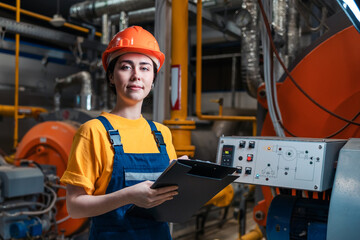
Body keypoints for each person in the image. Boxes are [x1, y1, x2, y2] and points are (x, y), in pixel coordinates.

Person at [60, 26, 180, 240]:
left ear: (153, 80)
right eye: (126, 67)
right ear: (111, 77)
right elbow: (75, 207)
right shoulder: (93, 132)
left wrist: (183, 178)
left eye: (145, 68)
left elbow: (168, 201)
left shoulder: (161, 134)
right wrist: (128, 196)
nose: (136, 76)